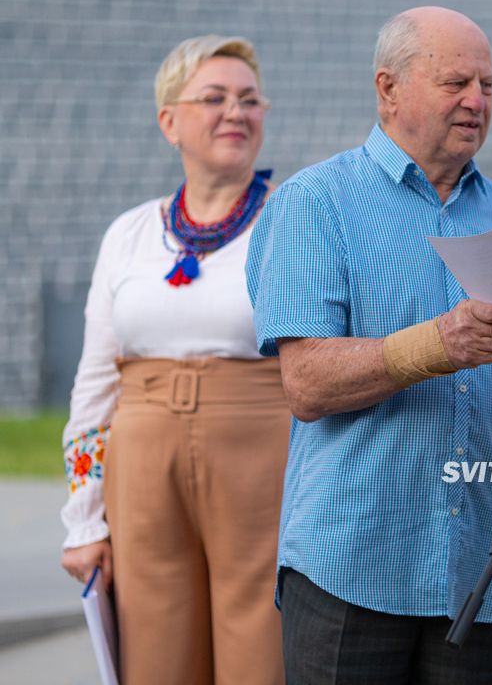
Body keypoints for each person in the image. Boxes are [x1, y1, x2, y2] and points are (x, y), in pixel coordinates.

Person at [245, 6, 492, 684]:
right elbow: (306, 384)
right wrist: (436, 345)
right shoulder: (315, 204)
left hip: (477, 581)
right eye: (456, 82)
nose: (477, 101)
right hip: (349, 572)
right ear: (388, 88)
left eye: (488, 85)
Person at [59, 35, 288, 684]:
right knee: (154, 653)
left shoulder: (292, 224)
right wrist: (82, 516)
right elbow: (96, 382)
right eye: (213, 98)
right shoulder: (130, 233)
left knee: (259, 651)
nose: (235, 113)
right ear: (169, 122)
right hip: (142, 463)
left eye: (249, 99)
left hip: (259, 458)